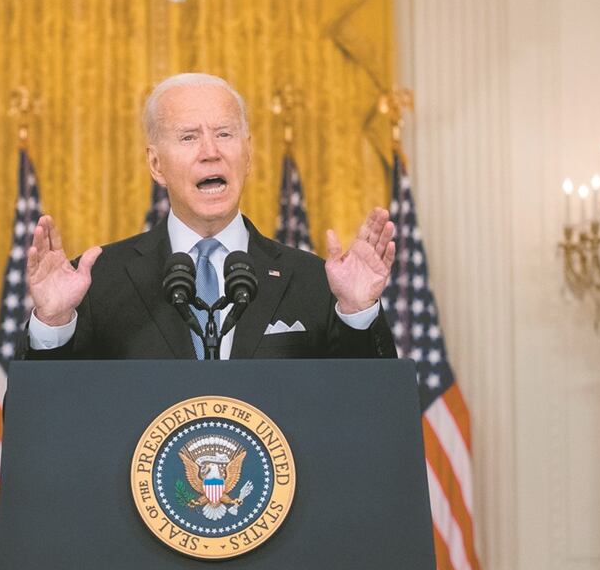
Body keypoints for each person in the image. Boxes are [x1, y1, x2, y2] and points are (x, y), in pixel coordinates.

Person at [21, 73, 396, 361]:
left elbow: (370, 415)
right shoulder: (96, 286)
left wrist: (358, 315)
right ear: (155, 164)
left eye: (224, 133)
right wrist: (52, 324)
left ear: (247, 154)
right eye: (188, 137)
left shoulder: (316, 283)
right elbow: (42, 427)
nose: (210, 152)